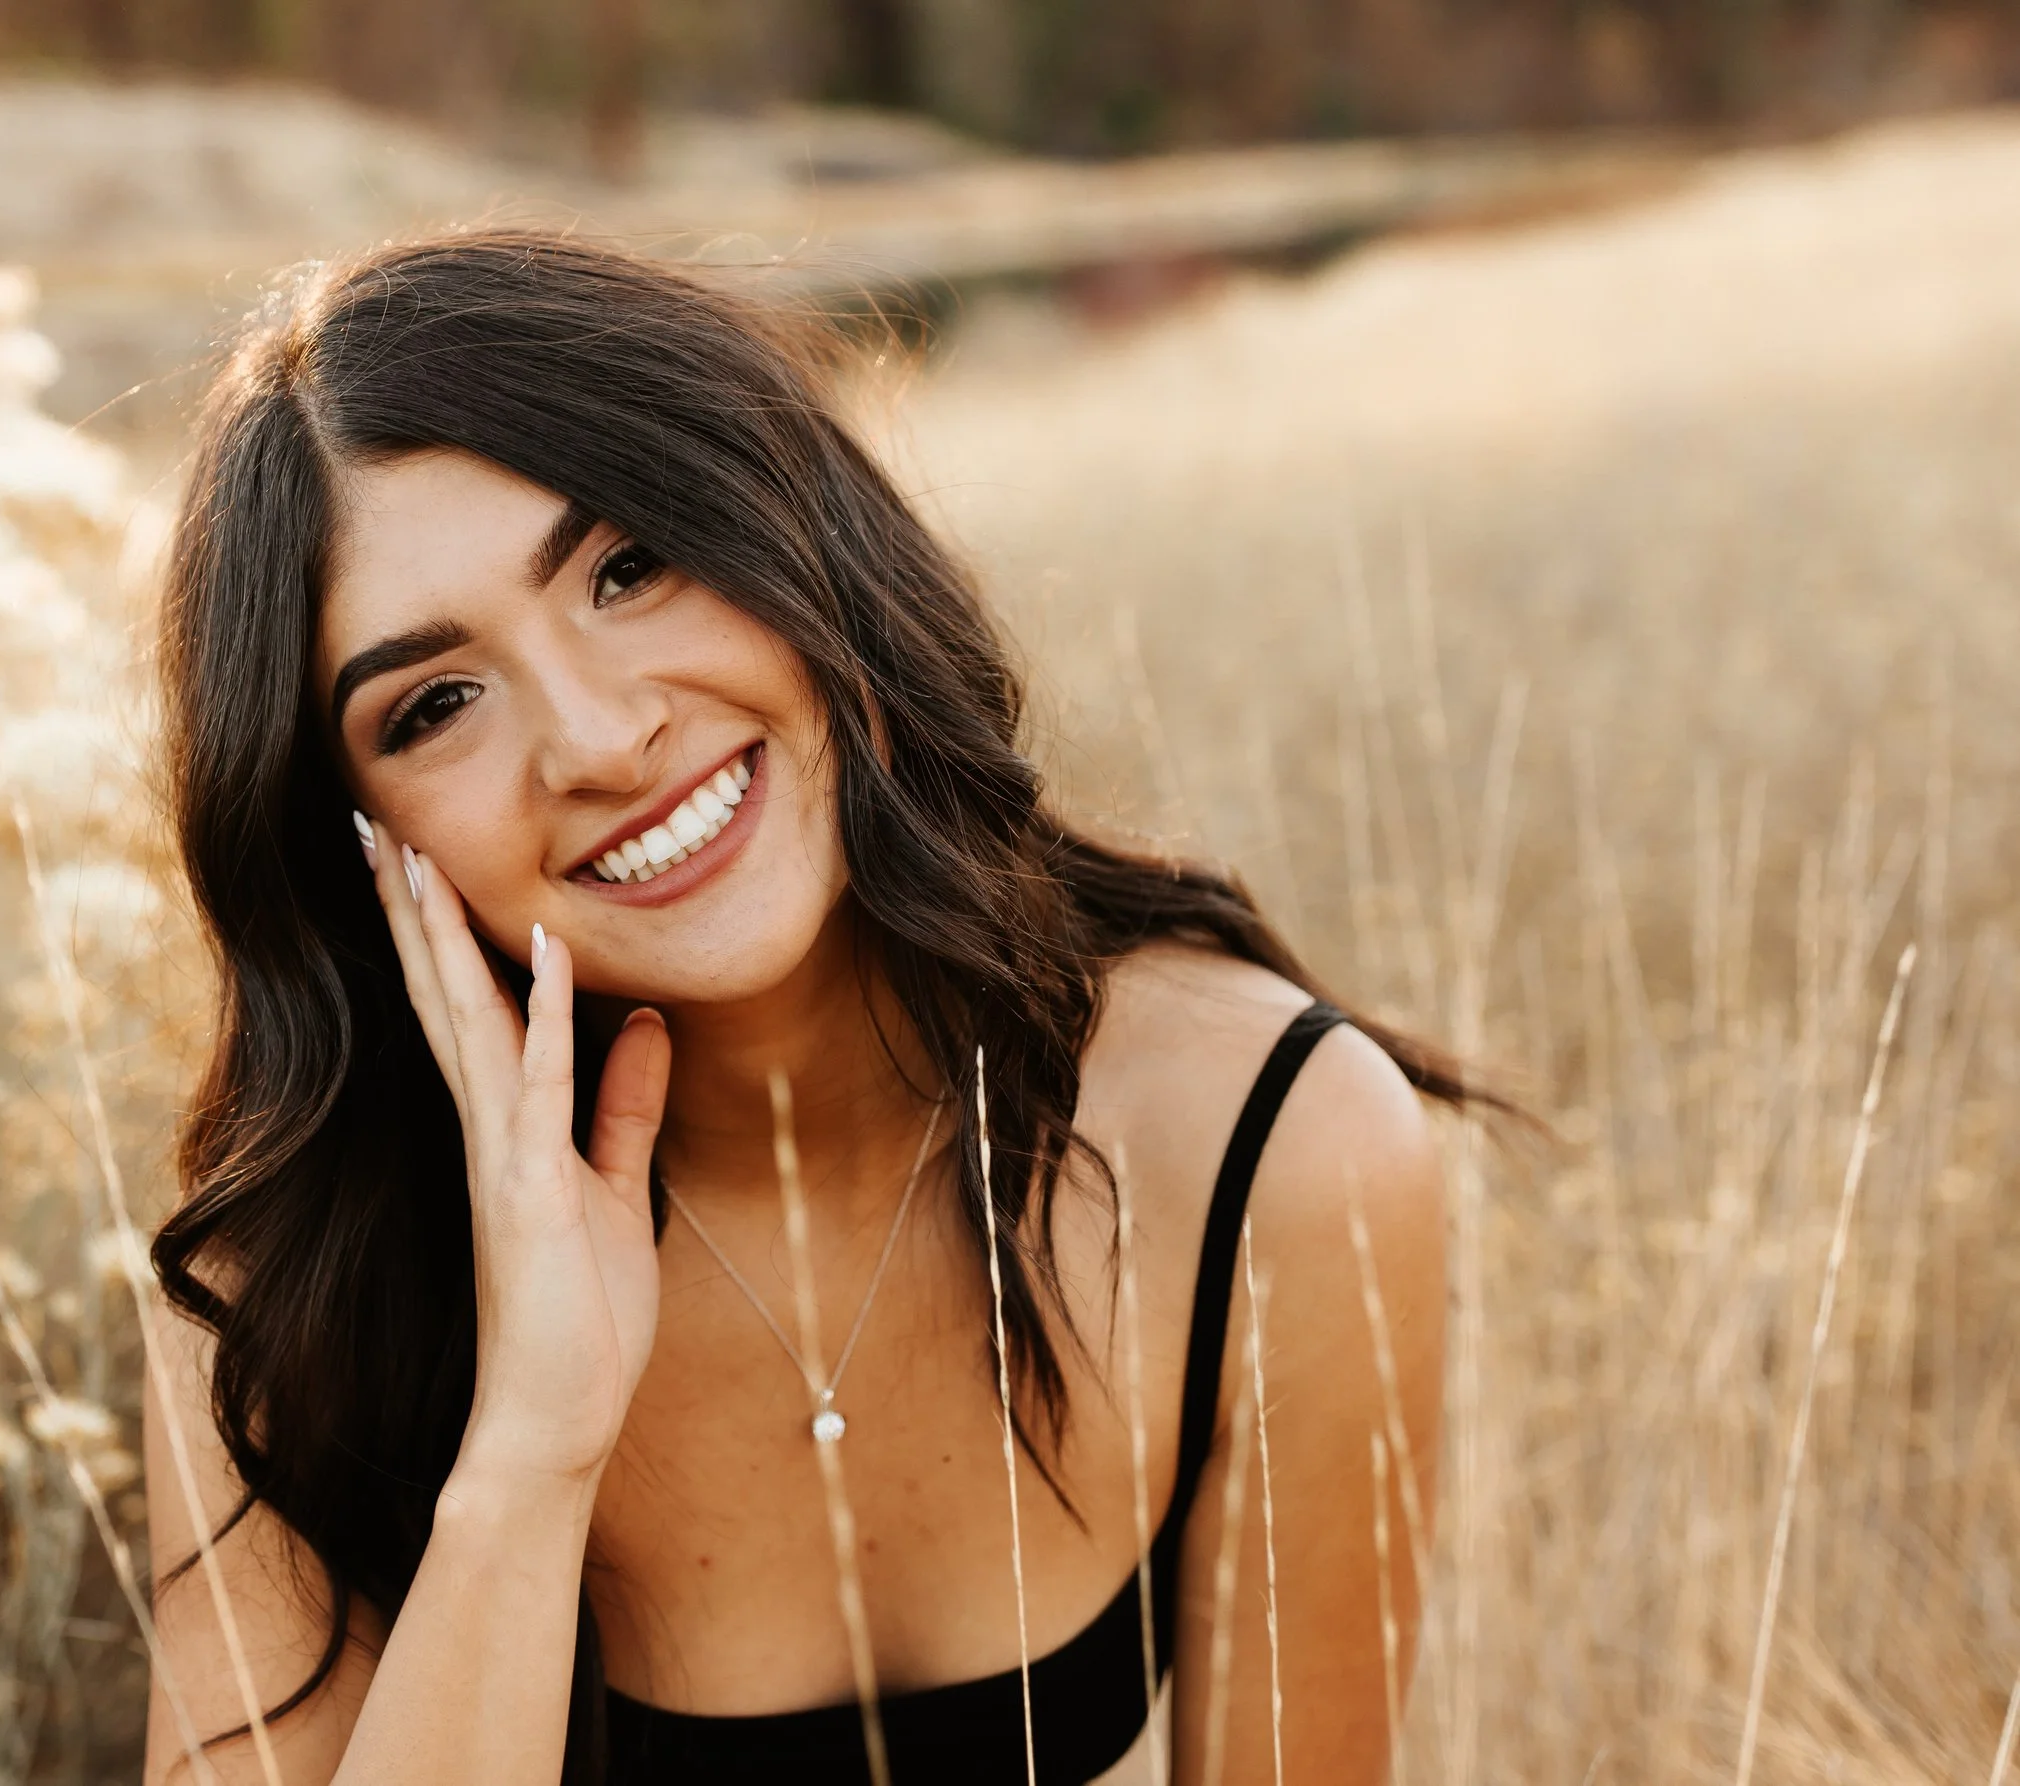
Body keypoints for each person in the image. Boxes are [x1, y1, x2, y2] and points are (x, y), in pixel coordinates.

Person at [143, 232, 1463, 1786]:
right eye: (435, 706)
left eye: (628, 566)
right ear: (354, 844)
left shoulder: (1275, 1147)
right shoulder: (282, 1282)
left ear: (796, 529)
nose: (600, 736)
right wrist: (529, 1451)